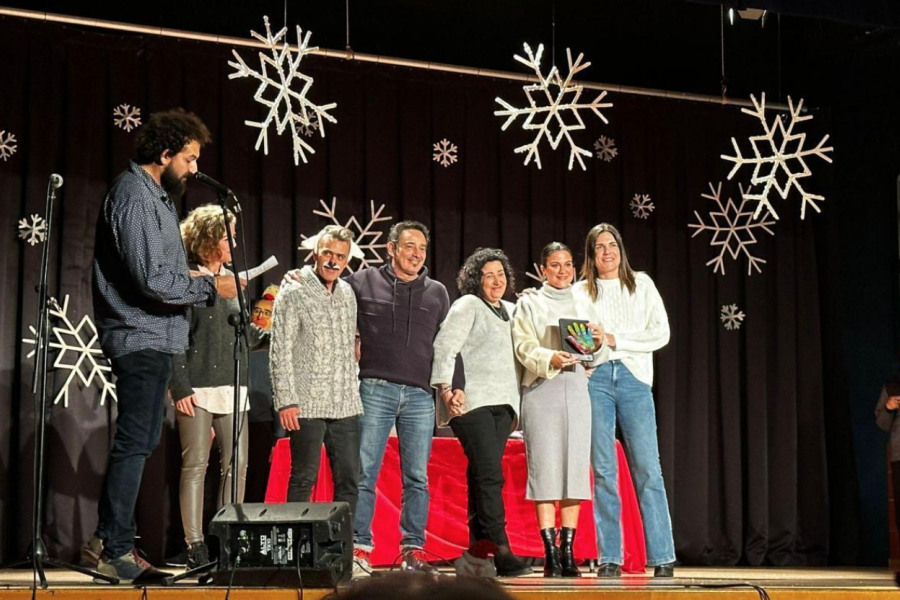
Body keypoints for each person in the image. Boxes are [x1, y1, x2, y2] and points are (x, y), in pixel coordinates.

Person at [88, 108, 240, 582]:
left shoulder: (158, 198)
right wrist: (209, 287)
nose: (195, 170)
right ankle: (115, 551)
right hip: (139, 336)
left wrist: (193, 280)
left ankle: (103, 542)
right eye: (190, 159)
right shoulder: (134, 196)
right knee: (136, 441)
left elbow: (161, 274)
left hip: (153, 334)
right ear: (165, 153)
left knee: (142, 440)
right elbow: (153, 279)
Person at [345, 221, 461, 577]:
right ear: (391, 248)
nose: (416, 254)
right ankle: (359, 548)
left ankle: (414, 550)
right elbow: (328, 294)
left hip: (419, 394)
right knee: (365, 472)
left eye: (422, 248)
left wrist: (451, 386)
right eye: (409, 246)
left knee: (417, 476)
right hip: (374, 388)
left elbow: (449, 345)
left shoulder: (438, 292)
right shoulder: (362, 281)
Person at [574, 223, 675, 578]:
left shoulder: (642, 284)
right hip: (597, 379)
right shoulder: (579, 291)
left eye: (611, 245)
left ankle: (663, 555)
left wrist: (616, 339)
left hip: (634, 379)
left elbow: (660, 333)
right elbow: (573, 333)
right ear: (591, 254)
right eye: (599, 247)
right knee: (603, 470)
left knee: (648, 468)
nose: (606, 252)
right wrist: (588, 351)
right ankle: (610, 557)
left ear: (621, 249)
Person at [168, 204, 262, 570]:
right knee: (196, 464)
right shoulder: (187, 280)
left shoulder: (234, 281)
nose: (234, 241)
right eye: (228, 235)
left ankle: (228, 540)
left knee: (237, 464)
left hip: (233, 386)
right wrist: (180, 386)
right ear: (209, 239)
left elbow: (242, 338)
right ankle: (195, 546)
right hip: (196, 387)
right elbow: (175, 338)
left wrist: (268, 318)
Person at [431, 248, 532, 578]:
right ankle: (501, 551)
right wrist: (446, 389)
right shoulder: (468, 305)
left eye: (501, 274)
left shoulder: (513, 311)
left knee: (480, 476)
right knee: (490, 476)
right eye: (489, 275)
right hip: (472, 403)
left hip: (504, 407)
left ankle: (479, 554)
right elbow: (445, 347)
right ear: (476, 279)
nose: (496, 280)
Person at [512, 242, 603, 577]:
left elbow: (596, 351)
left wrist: (596, 344)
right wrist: (548, 357)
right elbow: (522, 346)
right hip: (542, 387)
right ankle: (550, 552)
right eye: (554, 265)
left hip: (577, 387)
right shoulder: (530, 303)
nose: (562, 271)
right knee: (547, 470)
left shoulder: (585, 301)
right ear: (542, 269)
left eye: (567, 264)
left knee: (575, 472)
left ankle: (568, 551)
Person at [273, 226, 362, 518]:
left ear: (348, 260)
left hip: (345, 403)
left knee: (349, 481)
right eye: (328, 253)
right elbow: (280, 348)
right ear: (315, 253)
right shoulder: (293, 289)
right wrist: (285, 399)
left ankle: (341, 554)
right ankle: (297, 555)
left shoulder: (348, 292)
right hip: (306, 403)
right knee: (303, 478)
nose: (333, 261)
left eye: (341, 256)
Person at [244, 285, 283, 503]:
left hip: (262, 425)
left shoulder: (276, 352)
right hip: (234, 421)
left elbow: (279, 397)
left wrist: (278, 437)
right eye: (257, 311)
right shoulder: (238, 345)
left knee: (258, 482)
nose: (260, 316)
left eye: (267, 313)